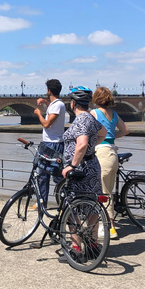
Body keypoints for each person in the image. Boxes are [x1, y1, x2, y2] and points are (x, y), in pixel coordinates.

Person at [61, 86, 107, 260]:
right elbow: (103, 133)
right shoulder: (91, 117)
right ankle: (93, 246)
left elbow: (81, 143)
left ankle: (76, 249)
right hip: (93, 165)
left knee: (72, 207)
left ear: (73, 104)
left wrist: (72, 165)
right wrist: (91, 148)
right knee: (92, 207)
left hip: (80, 171)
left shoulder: (80, 120)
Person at [91, 86, 129, 237]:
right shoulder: (113, 114)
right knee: (109, 191)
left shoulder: (94, 113)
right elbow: (125, 130)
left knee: (102, 192)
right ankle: (108, 225)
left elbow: (88, 132)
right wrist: (111, 138)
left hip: (101, 153)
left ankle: (109, 227)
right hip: (112, 153)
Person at [34, 79, 66, 207]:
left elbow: (47, 124)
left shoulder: (58, 105)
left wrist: (38, 114)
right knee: (42, 174)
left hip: (54, 144)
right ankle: (42, 203)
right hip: (47, 143)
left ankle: (65, 203)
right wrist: (46, 103)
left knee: (57, 175)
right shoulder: (54, 104)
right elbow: (52, 117)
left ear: (49, 90)